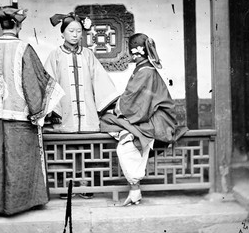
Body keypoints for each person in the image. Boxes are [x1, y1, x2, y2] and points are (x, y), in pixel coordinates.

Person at [0, 5, 65, 215]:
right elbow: (34, 83)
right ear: (17, 26)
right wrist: (39, 111)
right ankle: (20, 203)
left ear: (1, 26)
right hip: (20, 117)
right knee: (20, 159)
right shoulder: (24, 48)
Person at [101, 33, 188, 206]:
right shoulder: (144, 68)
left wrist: (117, 108)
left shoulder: (145, 71)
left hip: (158, 120)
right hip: (151, 115)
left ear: (135, 52)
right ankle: (135, 190)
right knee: (114, 124)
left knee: (120, 134)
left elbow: (133, 102)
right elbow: (133, 98)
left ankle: (135, 190)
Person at [44, 13, 120, 198]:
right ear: (62, 33)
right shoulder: (54, 56)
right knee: (65, 150)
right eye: (71, 30)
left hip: (87, 112)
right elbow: (47, 83)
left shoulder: (88, 55)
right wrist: (53, 110)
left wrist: (104, 104)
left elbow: (100, 81)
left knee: (88, 149)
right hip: (65, 111)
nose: (75, 34)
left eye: (79, 31)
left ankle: (87, 186)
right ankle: (65, 187)